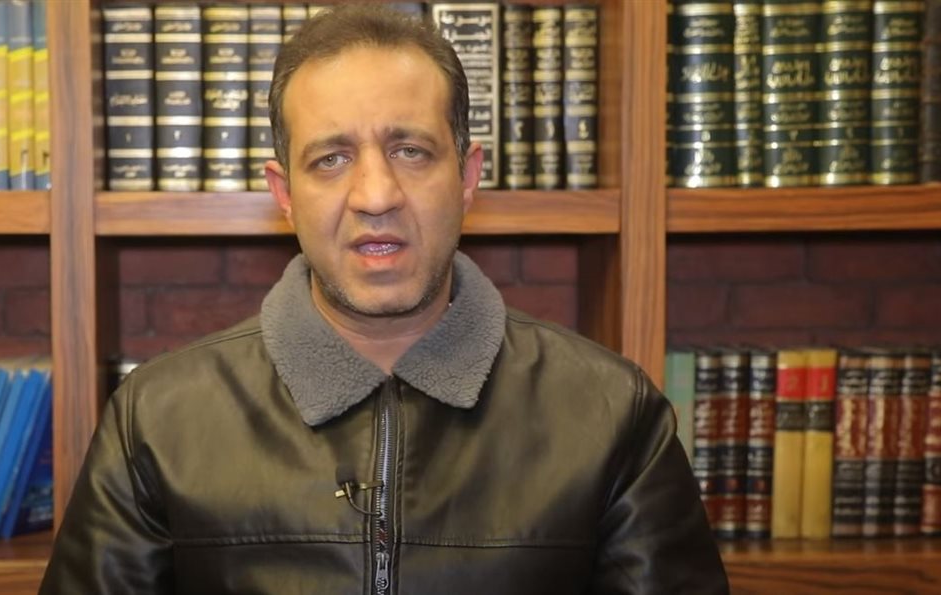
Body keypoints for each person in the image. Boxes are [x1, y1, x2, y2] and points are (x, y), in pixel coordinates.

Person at [40, 5, 727, 594]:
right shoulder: (155, 421)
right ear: (284, 194)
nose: (375, 195)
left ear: (468, 177)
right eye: (331, 158)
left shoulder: (614, 416)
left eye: (411, 151)